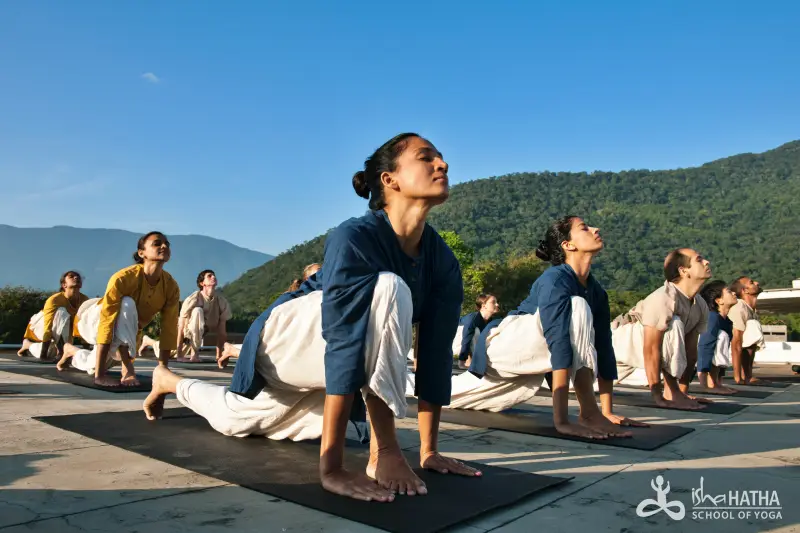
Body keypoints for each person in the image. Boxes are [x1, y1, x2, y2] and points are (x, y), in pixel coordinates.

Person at [143, 133, 480, 502]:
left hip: (327, 355)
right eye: (426, 157)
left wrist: (429, 451)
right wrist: (333, 468)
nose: (442, 164)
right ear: (390, 179)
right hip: (288, 334)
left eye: (440, 157)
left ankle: (168, 381)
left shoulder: (442, 260)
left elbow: (434, 352)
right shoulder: (354, 236)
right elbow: (343, 339)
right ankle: (382, 449)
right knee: (388, 286)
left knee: (234, 419)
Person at [448, 217, 644, 439]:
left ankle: (420, 386)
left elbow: (603, 347)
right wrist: (562, 421)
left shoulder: (596, 291)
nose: (595, 229)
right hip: (505, 344)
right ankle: (588, 412)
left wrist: (607, 412)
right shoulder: (555, 279)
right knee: (577, 306)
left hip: (532, 354)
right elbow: (558, 341)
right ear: (568, 245)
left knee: (451, 394)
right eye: (584, 228)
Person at [57, 232, 180, 387]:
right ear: (141, 253)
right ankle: (127, 369)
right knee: (127, 303)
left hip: (126, 332)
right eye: (157, 243)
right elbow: (107, 320)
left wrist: (163, 370)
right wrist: (100, 376)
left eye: (167, 244)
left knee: (92, 365)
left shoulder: (171, 286)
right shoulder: (123, 278)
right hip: (92, 320)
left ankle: (71, 351)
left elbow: (169, 328)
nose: (164, 246)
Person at [612, 249, 711, 410]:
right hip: (621, 340)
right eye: (699, 260)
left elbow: (691, 352)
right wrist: (658, 397)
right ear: (683, 270)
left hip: (637, 351)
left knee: (585, 384)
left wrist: (683, 392)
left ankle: (676, 392)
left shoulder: (699, 304)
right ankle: (671, 392)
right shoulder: (663, 298)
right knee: (674, 324)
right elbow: (651, 349)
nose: (706, 262)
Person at [18, 271, 89, 360]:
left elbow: (85, 324)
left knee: (51, 353)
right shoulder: (54, 300)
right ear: (64, 285)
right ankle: (61, 351)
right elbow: (48, 325)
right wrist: (43, 355)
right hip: (41, 325)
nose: (76, 278)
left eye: (78, 277)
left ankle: (28, 344)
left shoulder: (84, 300)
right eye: (71, 276)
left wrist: (87, 351)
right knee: (61, 312)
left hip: (62, 329)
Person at [696, 280, 738, 394]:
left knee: (722, 337)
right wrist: (704, 385)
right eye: (729, 291)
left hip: (705, 354)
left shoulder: (726, 321)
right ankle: (708, 384)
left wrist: (719, 384)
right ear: (719, 300)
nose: (734, 293)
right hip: (692, 356)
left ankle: (716, 383)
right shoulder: (712, 317)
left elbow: (722, 351)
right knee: (721, 337)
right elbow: (704, 347)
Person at [728, 277, 765, 384]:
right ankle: (740, 376)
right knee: (752, 326)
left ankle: (747, 375)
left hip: (740, 345)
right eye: (752, 282)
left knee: (753, 328)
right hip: (721, 346)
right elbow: (736, 343)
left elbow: (750, 342)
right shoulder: (739, 306)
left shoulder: (752, 310)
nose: (757, 283)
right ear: (745, 290)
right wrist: (737, 378)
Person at [454, 294, 499, 369]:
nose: (497, 304)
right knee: (476, 331)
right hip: (455, 339)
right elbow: (466, 338)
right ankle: (468, 361)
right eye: (493, 302)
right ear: (484, 306)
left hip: (468, 342)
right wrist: (462, 361)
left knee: (492, 332)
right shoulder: (473, 318)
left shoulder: (490, 321)